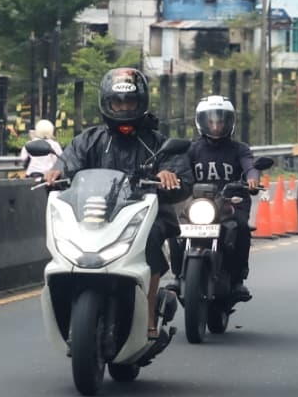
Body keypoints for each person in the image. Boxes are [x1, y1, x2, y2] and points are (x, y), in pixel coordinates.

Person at [42, 68, 190, 340]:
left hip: (142, 217)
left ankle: (147, 313)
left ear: (141, 103)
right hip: (95, 216)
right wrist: (57, 173)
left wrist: (169, 176)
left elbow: (181, 175)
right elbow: (69, 163)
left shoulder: (158, 143)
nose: (123, 108)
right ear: (106, 103)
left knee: (153, 242)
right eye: (117, 102)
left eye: (130, 102)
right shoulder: (90, 140)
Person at [183, 95, 261, 303]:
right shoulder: (192, 149)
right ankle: (177, 275)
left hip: (232, 204)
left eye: (221, 121)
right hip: (199, 205)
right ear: (202, 122)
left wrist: (253, 180)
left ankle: (237, 280)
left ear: (230, 122)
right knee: (175, 229)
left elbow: (250, 167)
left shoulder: (239, 149)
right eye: (211, 121)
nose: (216, 126)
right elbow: (180, 169)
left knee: (242, 228)